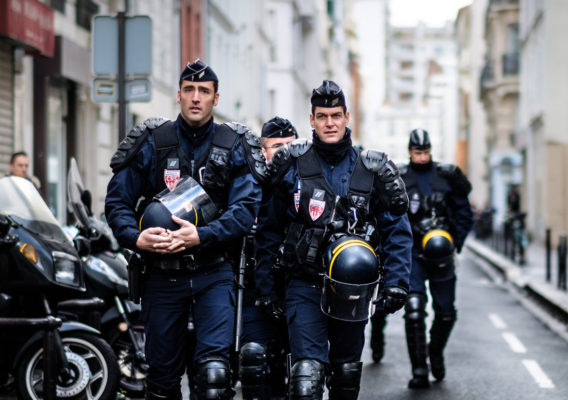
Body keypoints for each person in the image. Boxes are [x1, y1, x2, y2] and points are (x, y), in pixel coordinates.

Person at [105, 59, 265, 400]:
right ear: (178, 95)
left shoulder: (233, 143)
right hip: (162, 276)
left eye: (204, 91)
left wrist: (202, 235)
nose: (196, 97)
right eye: (189, 90)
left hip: (214, 273)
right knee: (161, 380)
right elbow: (117, 202)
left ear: (215, 98)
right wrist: (136, 237)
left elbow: (244, 210)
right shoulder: (153, 140)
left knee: (214, 377)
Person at [255, 80, 413, 400]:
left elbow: (397, 229)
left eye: (336, 115)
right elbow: (268, 230)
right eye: (322, 116)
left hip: (353, 290)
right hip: (304, 283)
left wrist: (397, 282)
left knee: (345, 376)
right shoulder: (291, 165)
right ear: (311, 120)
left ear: (346, 117)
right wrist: (267, 287)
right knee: (306, 378)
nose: (330, 123)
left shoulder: (370, 168)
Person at [397, 128, 473, 389]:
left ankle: (435, 352)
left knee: (446, 313)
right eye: (417, 152)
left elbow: (464, 212)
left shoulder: (447, 176)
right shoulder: (399, 178)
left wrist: (455, 243)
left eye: (426, 152)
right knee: (414, 310)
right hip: (413, 254)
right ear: (410, 151)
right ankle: (419, 370)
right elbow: (390, 215)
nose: (422, 156)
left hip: (442, 252)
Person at [239, 116, 297, 400]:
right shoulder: (249, 183)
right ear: (263, 152)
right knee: (254, 358)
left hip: (297, 285)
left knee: (301, 369)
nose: (285, 152)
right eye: (277, 146)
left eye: (290, 145)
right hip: (254, 286)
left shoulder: (307, 183)